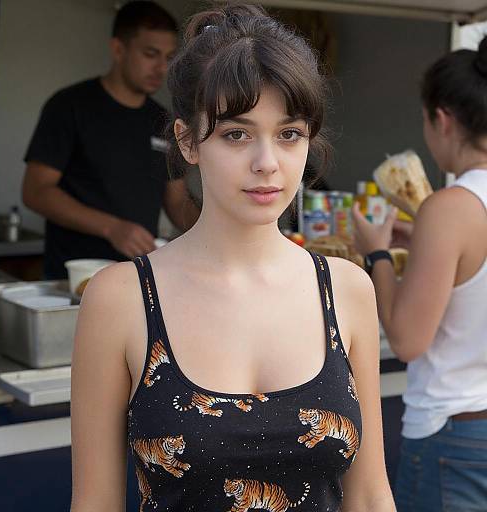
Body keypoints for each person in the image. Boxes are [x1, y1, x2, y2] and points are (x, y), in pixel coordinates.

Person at [70, 4, 395, 511]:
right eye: (236, 134)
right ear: (187, 141)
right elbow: (95, 503)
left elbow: (371, 495)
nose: (267, 163)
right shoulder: (119, 298)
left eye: (289, 134)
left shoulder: (348, 288)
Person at [353, 37, 487, 512]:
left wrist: (378, 256)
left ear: (442, 119)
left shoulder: (450, 208)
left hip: (453, 434)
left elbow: (408, 340)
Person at [22, 1, 200, 279]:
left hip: (139, 278)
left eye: (168, 57)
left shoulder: (163, 120)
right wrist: (112, 228)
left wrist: (221, 229)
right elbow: (36, 191)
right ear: (118, 49)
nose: (162, 68)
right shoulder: (69, 106)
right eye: (151, 54)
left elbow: (177, 203)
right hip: (75, 280)